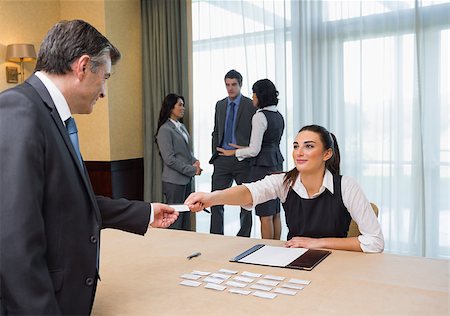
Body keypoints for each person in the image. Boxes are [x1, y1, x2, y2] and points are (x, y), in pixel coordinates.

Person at [0, 20, 178, 315]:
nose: (104, 91)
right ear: (83, 67)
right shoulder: (19, 110)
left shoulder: (49, 116)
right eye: (105, 77)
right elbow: (14, 241)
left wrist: (145, 213)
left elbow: (69, 202)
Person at [186, 125, 384, 253]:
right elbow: (248, 192)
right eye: (296, 146)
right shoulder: (284, 182)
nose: (299, 152)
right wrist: (211, 197)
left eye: (308, 146)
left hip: (337, 265)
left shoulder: (347, 186)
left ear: (327, 154)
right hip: (294, 260)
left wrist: (317, 243)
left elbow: (375, 242)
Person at [216, 79, 284, 239]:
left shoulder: (259, 116)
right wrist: (243, 148)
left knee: (264, 214)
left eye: (254, 93)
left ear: (260, 95)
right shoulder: (278, 115)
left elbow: (254, 150)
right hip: (276, 164)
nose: (252, 96)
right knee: (275, 212)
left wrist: (234, 153)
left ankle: (268, 251)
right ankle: (278, 249)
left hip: (262, 167)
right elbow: (269, 143)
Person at [209, 69, 256, 237]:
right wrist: (215, 152)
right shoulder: (220, 105)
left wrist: (244, 150)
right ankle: (215, 236)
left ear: (240, 85)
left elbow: (255, 133)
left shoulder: (250, 105)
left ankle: (244, 236)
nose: (230, 88)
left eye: (234, 85)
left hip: (242, 160)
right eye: (227, 85)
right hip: (222, 159)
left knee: (246, 201)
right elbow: (216, 131)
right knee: (215, 200)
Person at [155, 94, 202, 230]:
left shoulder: (181, 127)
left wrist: (196, 161)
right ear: (171, 108)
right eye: (180, 105)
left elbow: (186, 153)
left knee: (186, 218)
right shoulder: (165, 129)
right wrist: (192, 170)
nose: (183, 108)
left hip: (186, 180)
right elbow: (169, 159)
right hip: (174, 182)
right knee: (175, 219)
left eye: (183, 105)